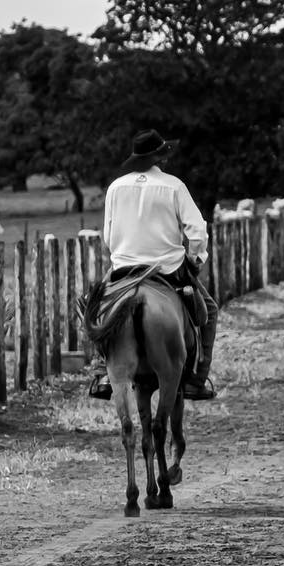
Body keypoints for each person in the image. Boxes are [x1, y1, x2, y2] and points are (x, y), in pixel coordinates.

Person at [85, 129, 218, 401]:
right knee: (210, 312)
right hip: (166, 268)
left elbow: (108, 237)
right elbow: (197, 230)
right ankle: (197, 379)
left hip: (124, 268)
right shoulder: (174, 186)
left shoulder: (115, 187)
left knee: (97, 307)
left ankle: (101, 372)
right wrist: (196, 259)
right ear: (160, 157)